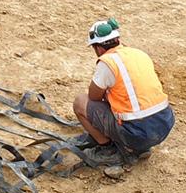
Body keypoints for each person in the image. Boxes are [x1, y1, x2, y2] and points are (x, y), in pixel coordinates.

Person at [72, 18, 174, 174]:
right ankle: (140, 148)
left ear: (98, 48)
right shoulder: (139, 53)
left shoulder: (108, 62)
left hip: (138, 133)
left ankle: (109, 151)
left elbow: (93, 96)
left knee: (80, 102)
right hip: (164, 124)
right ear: (118, 39)